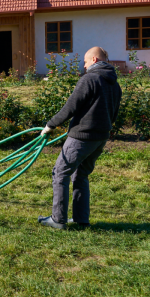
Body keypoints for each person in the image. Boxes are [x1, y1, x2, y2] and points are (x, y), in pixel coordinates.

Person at [38, 46, 122, 229]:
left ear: (94, 60)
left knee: (60, 173)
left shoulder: (90, 79)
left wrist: (50, 125)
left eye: (85, 62)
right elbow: (114, 113)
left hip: (82, 137)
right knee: (80, 175)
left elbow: (71, 106)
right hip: (100, 138)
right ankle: (81, 220)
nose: (84, 66)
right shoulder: (114, 84)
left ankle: (58, 220)